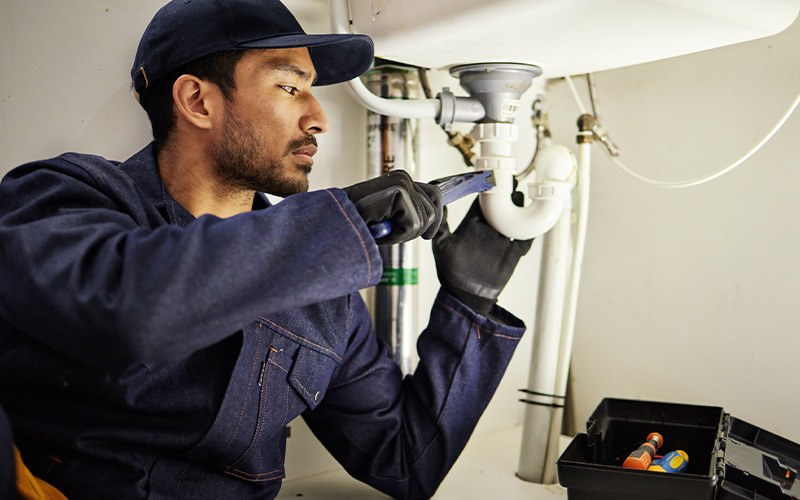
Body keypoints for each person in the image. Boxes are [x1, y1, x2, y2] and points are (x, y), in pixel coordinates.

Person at [0, 0, 533, 498]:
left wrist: (469, 303)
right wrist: (337, 227)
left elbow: (404, 461)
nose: (318, 117)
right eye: (288, 86)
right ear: (197, 101)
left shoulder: (323, 294)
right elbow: (131, 309)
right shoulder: (60, 197)